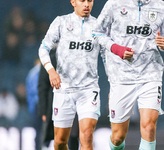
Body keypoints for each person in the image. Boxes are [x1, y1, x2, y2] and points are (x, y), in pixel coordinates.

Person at [92, 0, 164, 150]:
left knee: (149, 128)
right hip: (121, 75)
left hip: (151, 73)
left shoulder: (162, 6)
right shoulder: (114, 4)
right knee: (118, 137)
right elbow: (97, 32)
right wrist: (117, 48)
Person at [38, 0, 102, 149]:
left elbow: (108, 57)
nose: (87, 4)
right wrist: (51, 70)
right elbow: (43, 48)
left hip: (88, 90)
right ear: (73, 2)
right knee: (59, 142)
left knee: (86, 136)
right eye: (82, 0)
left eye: (90, 0)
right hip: (63, 90)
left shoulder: (99, 26)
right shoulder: (61, 22)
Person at [38, 47, 79, 150]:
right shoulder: (50, 59)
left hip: (75, 103)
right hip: (55, 104)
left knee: (74, 136)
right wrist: (43, 110)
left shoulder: (78, 56)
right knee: (57, 137)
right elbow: (43, 86)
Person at [26, 59, 43, 150]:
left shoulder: (31, 73)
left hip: (37, 105)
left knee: (39, 130)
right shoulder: (35, 73)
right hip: (41, 104)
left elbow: (29, 94)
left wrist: (31, 108)